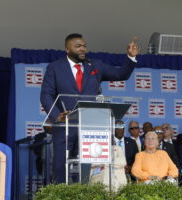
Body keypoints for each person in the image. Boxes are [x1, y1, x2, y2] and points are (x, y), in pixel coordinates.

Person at [40, 33, 139, 183]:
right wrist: (56, 116)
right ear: (67, 48)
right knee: (60, 166)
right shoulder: (55, 67)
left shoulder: (95, 65)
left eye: (84, 46)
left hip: (90, 126)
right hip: (65, 124)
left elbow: (121, 74)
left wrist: (130, 58)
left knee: (89, 166)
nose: (82, 49)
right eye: (78, 46)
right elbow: (46, 95)